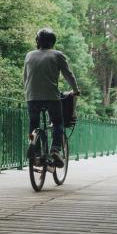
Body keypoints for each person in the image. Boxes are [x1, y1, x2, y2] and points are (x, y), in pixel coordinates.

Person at [24, 28, 80, 168]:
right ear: (52, 42)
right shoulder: (57, 55)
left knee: (33, 124)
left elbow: (25, 77)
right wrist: (75, 90)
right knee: (57, 123)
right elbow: (68, 74)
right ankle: (55, 150)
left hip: (31, 96)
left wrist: (29, 93)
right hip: (51, 97)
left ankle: (33, 145)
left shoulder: (29, 55)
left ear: (38, 41)